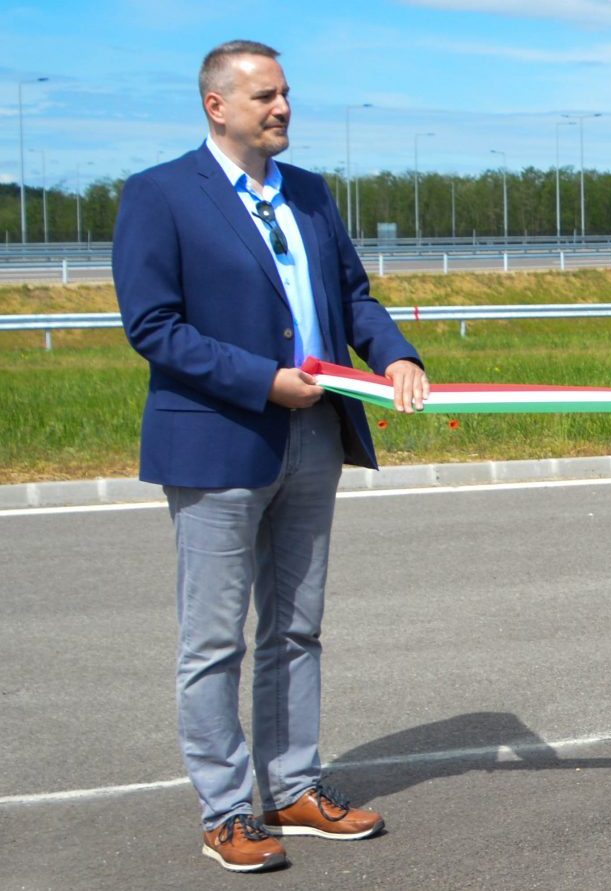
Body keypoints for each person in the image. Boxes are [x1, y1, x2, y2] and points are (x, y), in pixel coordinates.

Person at [115, 39, 426, 873]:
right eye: (263, 97)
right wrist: (264, 382)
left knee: (296, 624)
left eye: (285, 93)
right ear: (216, 106)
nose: (282, 108)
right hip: (219, 439)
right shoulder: (160, 196)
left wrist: (395, 354)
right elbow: (153, 326)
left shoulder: (313, 196)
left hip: (316, 435)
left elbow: (353, 296)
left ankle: (292, 786)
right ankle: (225, 808)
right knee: (214, 638)